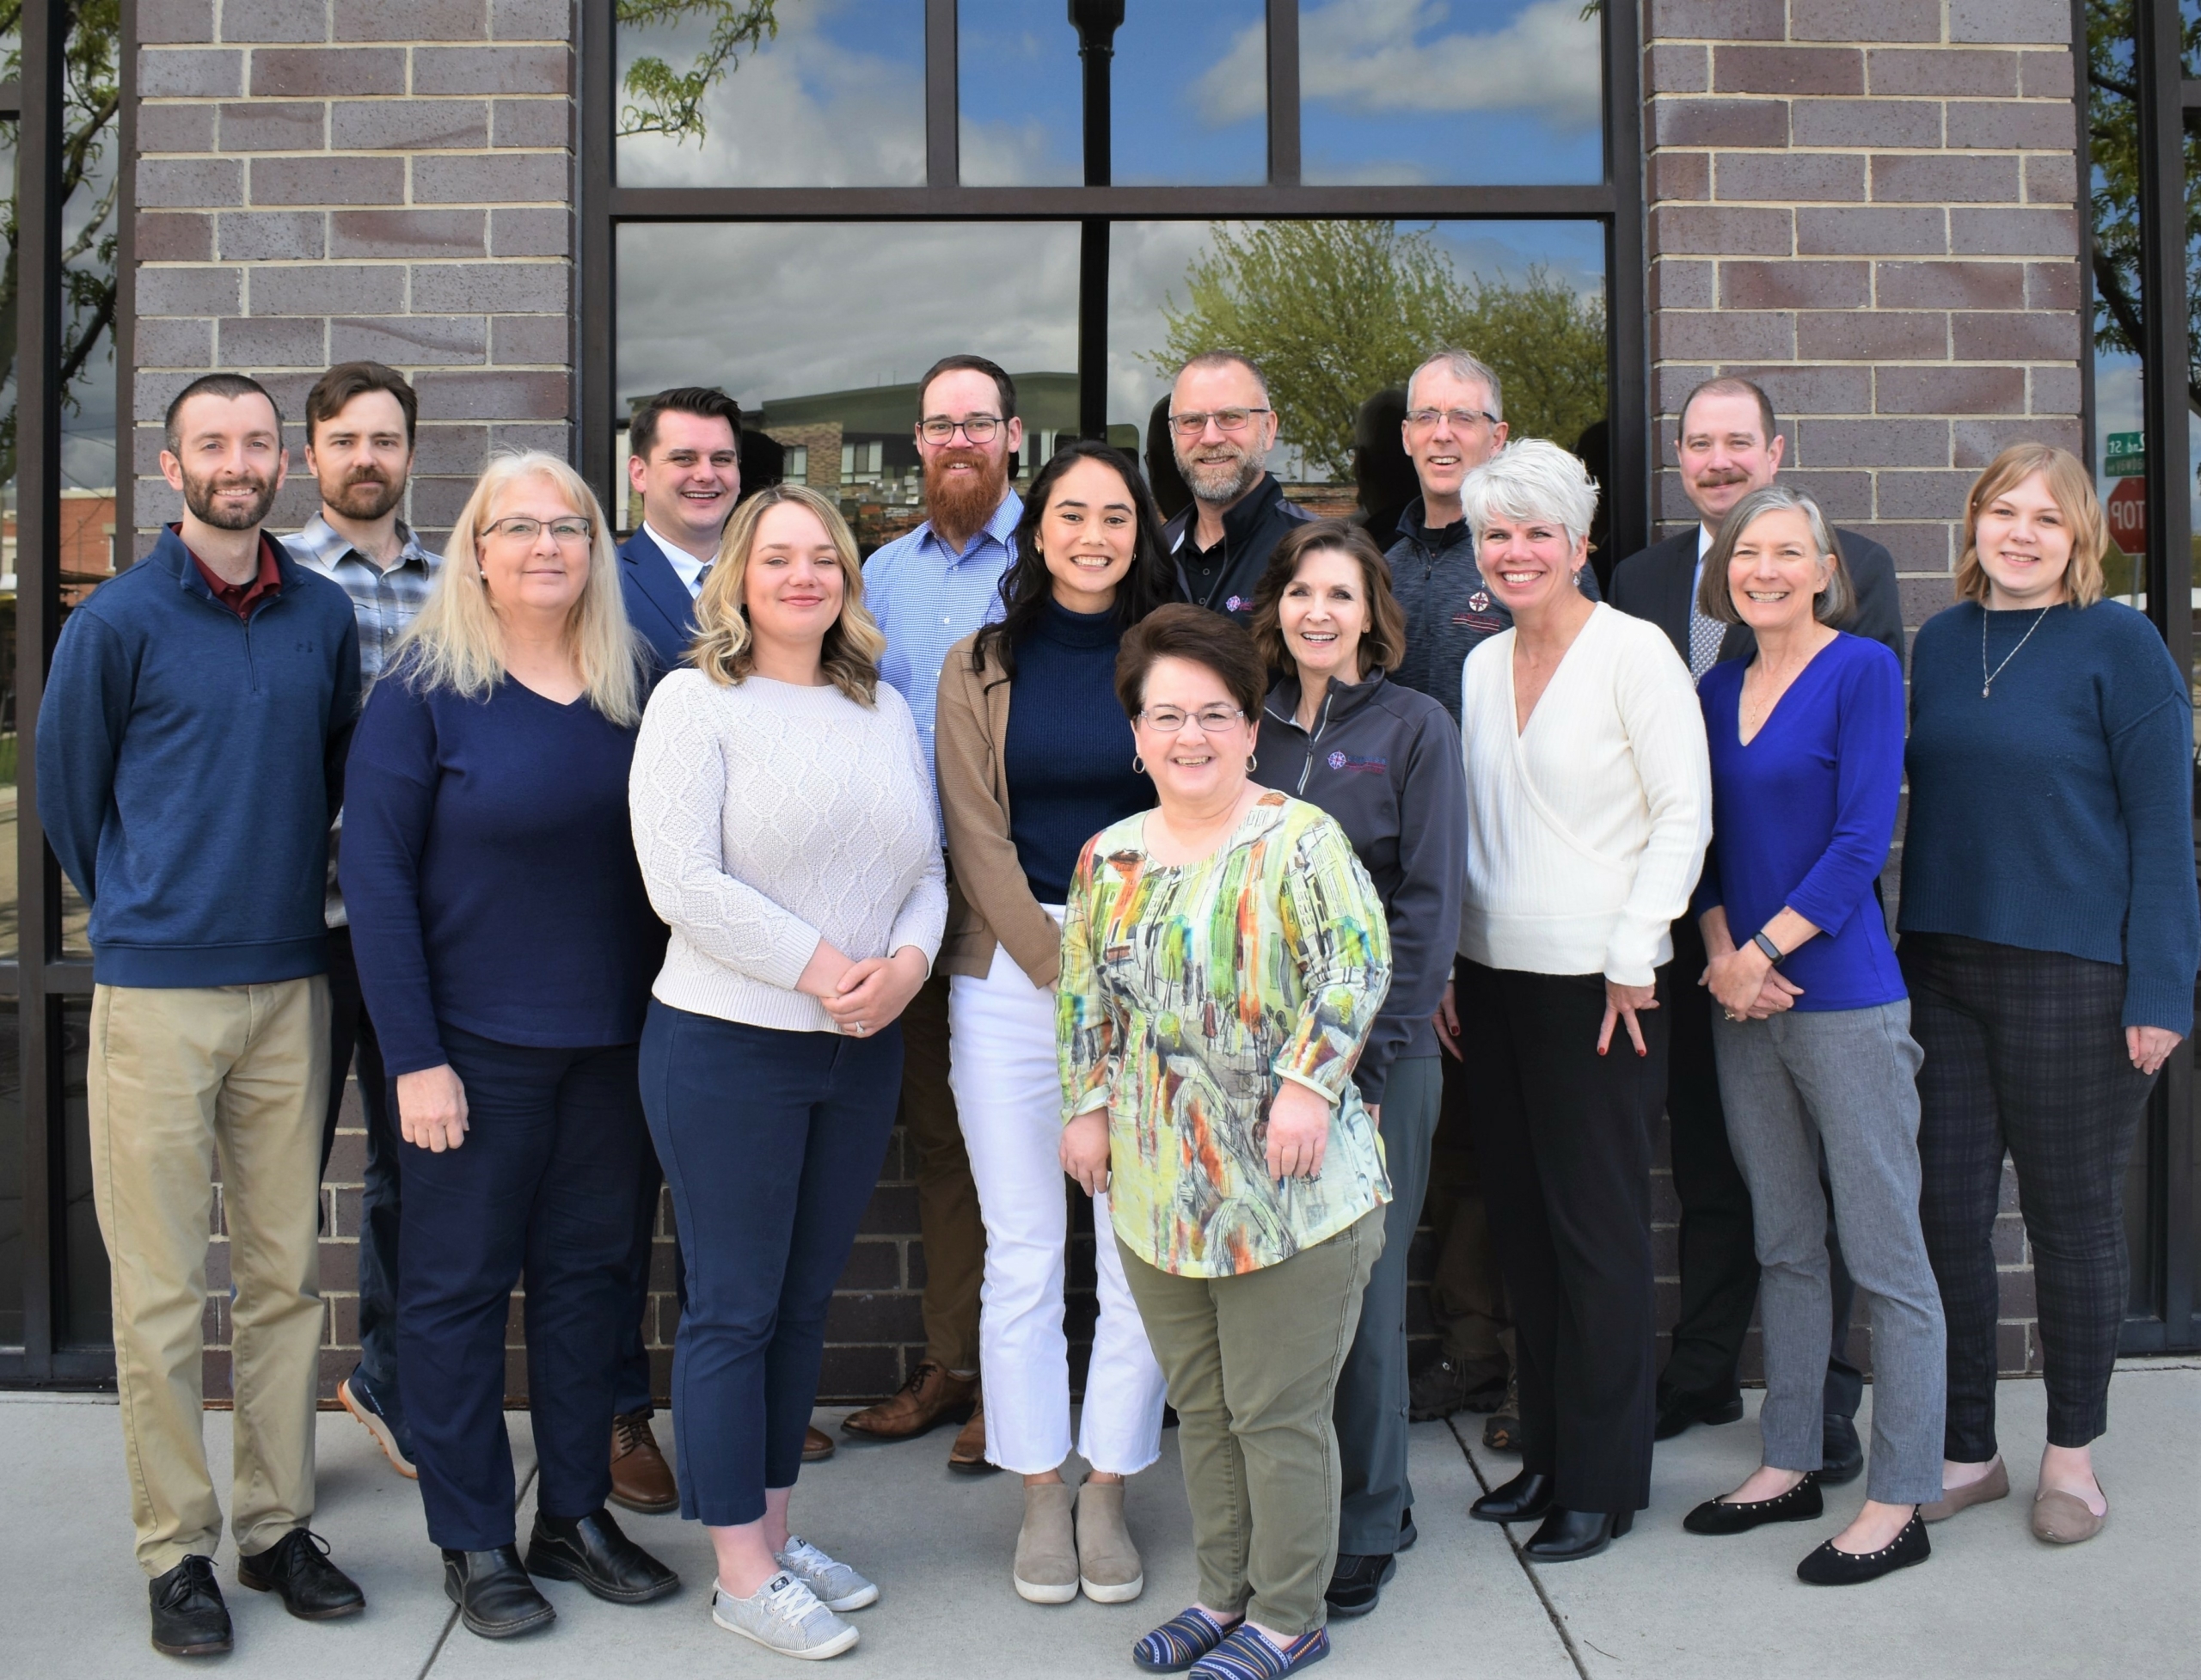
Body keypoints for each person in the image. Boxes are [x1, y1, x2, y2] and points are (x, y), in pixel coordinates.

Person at [39, 373, 365, 1656]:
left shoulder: (324, 614)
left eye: (255, 440)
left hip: (291, 981)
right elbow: (71, 803)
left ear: (281, 459)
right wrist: (150, 904)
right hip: (158, 993)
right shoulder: (115, 621)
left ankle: (277, 1525)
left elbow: (335, 772)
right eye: (210, 444)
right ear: (170, 469)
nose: (237, 461)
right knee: (165, 1291)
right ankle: (177, 1549)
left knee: (285, 1278)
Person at [341, 451, 677, 1640]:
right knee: (455, 1295)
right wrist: (414, 1057)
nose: (545, 544)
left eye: (568, 526)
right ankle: (474, 1532)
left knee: (593, 1288)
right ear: (476, 549)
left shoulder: (641, 684)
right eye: (517, 525)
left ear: (596, 546)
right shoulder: (422, 692)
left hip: (614, 1046)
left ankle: (574, 1514)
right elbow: (374, 886)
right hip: (470, 1053)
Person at [629, 483, 946, 1662]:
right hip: (726, 1046)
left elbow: (926, 860)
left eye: (825, 557)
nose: (804, 575)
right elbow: (683, 883)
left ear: (848, 581)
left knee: (802, 1304)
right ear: (741, 578)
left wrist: (906, 963)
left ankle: (771, 1525)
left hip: (856, 1047)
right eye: (780, 558)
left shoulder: (877, 706)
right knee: (733, 1307)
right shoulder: (691, 702)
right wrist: (826, 966)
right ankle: (740, 1573)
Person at [1059, 604, 1392, 1680]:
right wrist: (1087, 1107)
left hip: (1292, 1187)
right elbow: (1083, 1005)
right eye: (1166, 715)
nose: (1189, 735)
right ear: (1137, 733)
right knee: (1202, 1405)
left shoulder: (1299, 840)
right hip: (1162, 1189)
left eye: (1213, 713)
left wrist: (1306, 1084)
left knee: (1276, 1411)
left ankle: (1289, 1612)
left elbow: (1356, 969)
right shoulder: (1107, 858)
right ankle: (1225, 1593)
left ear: (1252, 728)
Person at [1902, 445, 2198, 1546]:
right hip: (1940, 969)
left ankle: (2070, 1457)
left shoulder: (2121, 647)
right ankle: (1968, 1449)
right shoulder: (1938, 642)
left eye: (2048, 520)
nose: (2020, 533)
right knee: (1947, 1219)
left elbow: (2166, 835)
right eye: (2002, 511)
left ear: (2081, 540)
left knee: (2071, 1224)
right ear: (1973, 520)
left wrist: (2163, 987)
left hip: (2075, 978)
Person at [1608, 375, 1904, 1480]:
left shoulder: (1857, 591)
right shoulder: (1643, 583)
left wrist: (1762, 949)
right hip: (1702, 935)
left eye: (1740, 442)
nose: (1720, 460)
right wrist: (1716, 945)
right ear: (1678, 457)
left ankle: (1832, 1409)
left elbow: (1858, 807)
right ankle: (1720, 1390)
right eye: (1700, 443)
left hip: (1809, 954)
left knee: (1844, 1209)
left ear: (1775, 449)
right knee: (1726, 1174)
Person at [1678, 486, 1945, 1587]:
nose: (1768, 568)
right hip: (1740, 1001)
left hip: (1838, 998)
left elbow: (1857, 840)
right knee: (1783, 1242)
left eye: (1791, 551)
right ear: (1726, 571)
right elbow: (1694, 841)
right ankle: (1789, 1458)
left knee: (1885, 1258)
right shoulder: (1712, 686)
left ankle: (1900, 1495)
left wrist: (1760, 955)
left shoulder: (1862, 671)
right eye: (1750, 552)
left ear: (1825, 570)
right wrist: (1720, 953)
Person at [1455, 440, 1710, 1562]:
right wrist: (1453, 965)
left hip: (1605, 986)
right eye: (1496, 533)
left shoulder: (1634, 652)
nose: (1516, 551)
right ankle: (1549, 1455)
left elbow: (1684, 816)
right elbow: (1476, 833)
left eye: (1536, 531)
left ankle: (1603, 1481)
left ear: (1578, 542)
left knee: (1598, 1234)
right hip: (1493, 978)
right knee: (1524, 1232)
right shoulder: (1476, 664)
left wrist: (1634, 953)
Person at [934, 440, 1178, 1606]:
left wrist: (1124, 967)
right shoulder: (979, 661)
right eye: (1071, 512)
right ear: (1038, 532)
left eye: (1116, 514)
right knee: (1025, 1249)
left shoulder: (1178, 654)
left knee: (1134, 1255)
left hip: (1155, 969)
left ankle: (1109, 1483)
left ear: (1142, 530)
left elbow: (1208, 800)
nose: (1094, 533)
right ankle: (1040, 1483)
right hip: (1010, 972)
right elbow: (973, 834)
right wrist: (1058, 965)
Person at [1248, 521, 1466, 1618]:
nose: (1317, 611)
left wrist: (1372, 1064)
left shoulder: (1414, 725)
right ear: (1276, 606)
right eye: (1299, 591)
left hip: (1377, 1060)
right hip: (1256, 1064)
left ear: (1373, 611)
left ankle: (1371, 1516)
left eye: (1340, 592)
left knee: (1364, 1292)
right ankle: (1300, 1505)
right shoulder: (1244, 729)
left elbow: (1428, 903)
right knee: (1283, 1300)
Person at [1383, 348, 1597, 1444]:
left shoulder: (1531, 566)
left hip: (1521, 902)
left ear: (1498, 434)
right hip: (1414, 901)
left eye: (1466, 416)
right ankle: (1468, 1348)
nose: (1443, 433)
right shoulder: (1379, 562)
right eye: (1426, 415)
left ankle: (1525, 1366)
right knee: (1453, 1147)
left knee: (1519, 1151)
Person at [840, 354, 1021, 1469]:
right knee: (946, 1141)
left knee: (1040, 1140)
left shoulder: (1048, 562)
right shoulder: (876, 575)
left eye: (978, 424)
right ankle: (954, 1360)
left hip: (1016, 894)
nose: (958, 442)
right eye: (939, 425)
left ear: (1012, 435)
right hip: (909, 901)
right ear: (918, 441)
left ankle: (1022, 1373)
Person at [285, 359, 438, 1484]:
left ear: (411, 454)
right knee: (280, 1175)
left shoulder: (456, 588)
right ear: (312, 456)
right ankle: (273, 1426)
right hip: (297, 924)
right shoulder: (278, 580)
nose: (366, 459)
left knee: (408, 1167)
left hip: (420, 930)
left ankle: (387, 1378)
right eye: (345, 440)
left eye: (384, 439)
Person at [610, 384, 748, 1501]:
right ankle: (621, 1415)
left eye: (721, 457)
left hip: (750, 946)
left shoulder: (764, 581)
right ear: (640, 472)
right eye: (684, 457)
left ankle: (730, 1400)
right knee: (616, 1194)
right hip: (618, 926)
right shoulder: (605, 585)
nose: (706, 473)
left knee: (726, 1191)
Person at [1162, 351, 1313, 622]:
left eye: (1231, 416)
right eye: (1192, 421)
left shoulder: (1317, 550)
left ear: (1268, 428)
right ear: (1173, 435)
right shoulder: (1156, 553)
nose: (1210, 437)